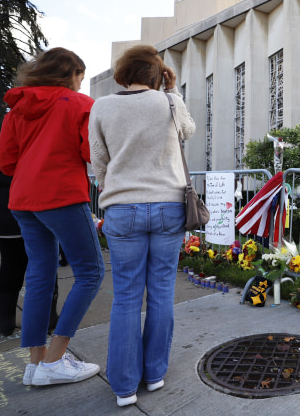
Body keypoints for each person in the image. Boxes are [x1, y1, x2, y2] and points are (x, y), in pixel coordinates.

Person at [89, 45, 195, 407]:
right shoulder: (167, 102)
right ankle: (154, 374)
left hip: (122, 206)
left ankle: (123, 386)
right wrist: (173, 90)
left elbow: (98, 160)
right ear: (158, 74)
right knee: (162, 291)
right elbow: (188, 130)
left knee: (127, 297)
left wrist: (112, 186)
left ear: (123, 72)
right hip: (168, 205)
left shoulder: (101, 106)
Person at [0, 47, 105, 387]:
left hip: (23, 199)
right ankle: (56, 360)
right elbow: (92, 153)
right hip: (60, 195)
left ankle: (36, 362)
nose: (80, 85)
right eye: (80, 78)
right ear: (71, 74)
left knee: (40, 274)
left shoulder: (18, 109)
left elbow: (3, 161)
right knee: (91, 272)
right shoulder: (78, 105)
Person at [0, 134, 60, 336]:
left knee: (10, 264)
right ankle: (49, 317)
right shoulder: (37, 132)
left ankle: (5, 322)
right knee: (44, 263)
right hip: (33, 204)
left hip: (0, 209)